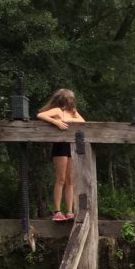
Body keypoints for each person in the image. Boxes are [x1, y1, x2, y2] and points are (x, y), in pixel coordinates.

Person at [37, 88, 85, 221]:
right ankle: (57, 211)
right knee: (61, 178)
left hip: (72, 146)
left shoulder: (73, 112)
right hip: (61, 146)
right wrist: (56, 122)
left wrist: (74, 115)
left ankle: (70, 211)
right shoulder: (58, 110)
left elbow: (83, 123)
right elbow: (41, 115)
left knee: (71, 180)